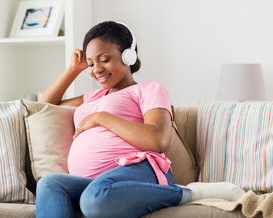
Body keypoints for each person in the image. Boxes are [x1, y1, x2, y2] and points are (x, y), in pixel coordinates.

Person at [36, 21, 245, 218]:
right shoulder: (93, 97)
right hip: (94, 183)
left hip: (138, 170)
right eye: (91, 63)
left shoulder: (148, 89)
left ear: (128, 56)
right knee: (50, 184)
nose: (96, 69)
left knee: (93, 200)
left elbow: (158, 140)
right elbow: (43, 107)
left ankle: (188, 193)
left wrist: (101, 118)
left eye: (105, 59)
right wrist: (73, 70)